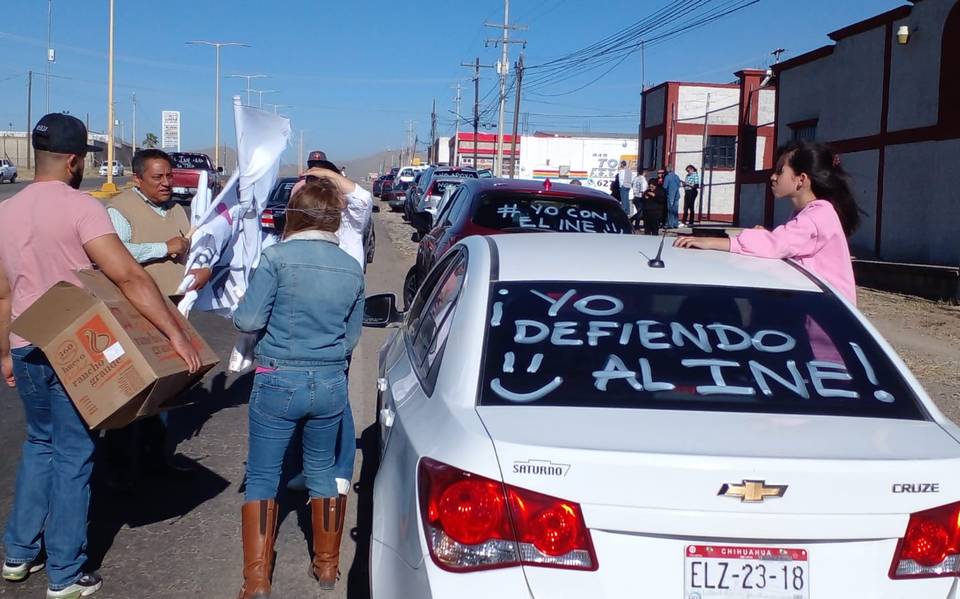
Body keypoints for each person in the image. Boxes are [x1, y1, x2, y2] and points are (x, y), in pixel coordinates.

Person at [0, 114, 201, 599]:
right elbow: (129, 276)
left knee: (40, 445)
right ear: (73, 161)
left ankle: (17, 554)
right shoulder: (83, 207)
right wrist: (176, 333)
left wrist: (5, 352)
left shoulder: (5, 210)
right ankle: (65, 575)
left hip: (27, 345)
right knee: (74, 454)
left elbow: (3, 294)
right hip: (74, 346)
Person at [233, 176, 364, 597]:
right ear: (334, 220)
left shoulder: (275, 259)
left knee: (263, 476)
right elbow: (351, 337)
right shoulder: (351, 268)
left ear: (297, 214)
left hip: (278, 377)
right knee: (323, 468)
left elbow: (249, 321)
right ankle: (327, 566)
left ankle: (256, 581)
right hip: (328, 380)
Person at [104, 149, 212, 488]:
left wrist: (203, 268)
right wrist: (162, 248)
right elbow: (116, 252)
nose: (167, 183)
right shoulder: (119, 209)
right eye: (157, 178)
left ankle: (156, 461)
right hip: (136, 313)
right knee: (134, 391)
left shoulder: (177, 209)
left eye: (169, 176)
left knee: (166, 390)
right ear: (137, 179)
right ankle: (119, 470)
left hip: (174, 309)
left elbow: (190, 247)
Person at [674, 141, 860, 305]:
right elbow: (787, 244)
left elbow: (777, 246)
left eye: (780, 171)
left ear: (801, 179)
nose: (773, 177)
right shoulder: (812, 213)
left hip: (830, 316)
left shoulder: (818, 214)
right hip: (822, 309)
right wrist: (767, 236)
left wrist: (713, 242)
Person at [287, 153, 371, 500]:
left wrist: (320, 173)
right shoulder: (301, 225)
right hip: (298, 324)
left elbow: (363, 197)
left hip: (336, 322)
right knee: (306, 400)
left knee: (336, 397)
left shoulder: (350, 222)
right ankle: (310, 468)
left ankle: (339, 469)